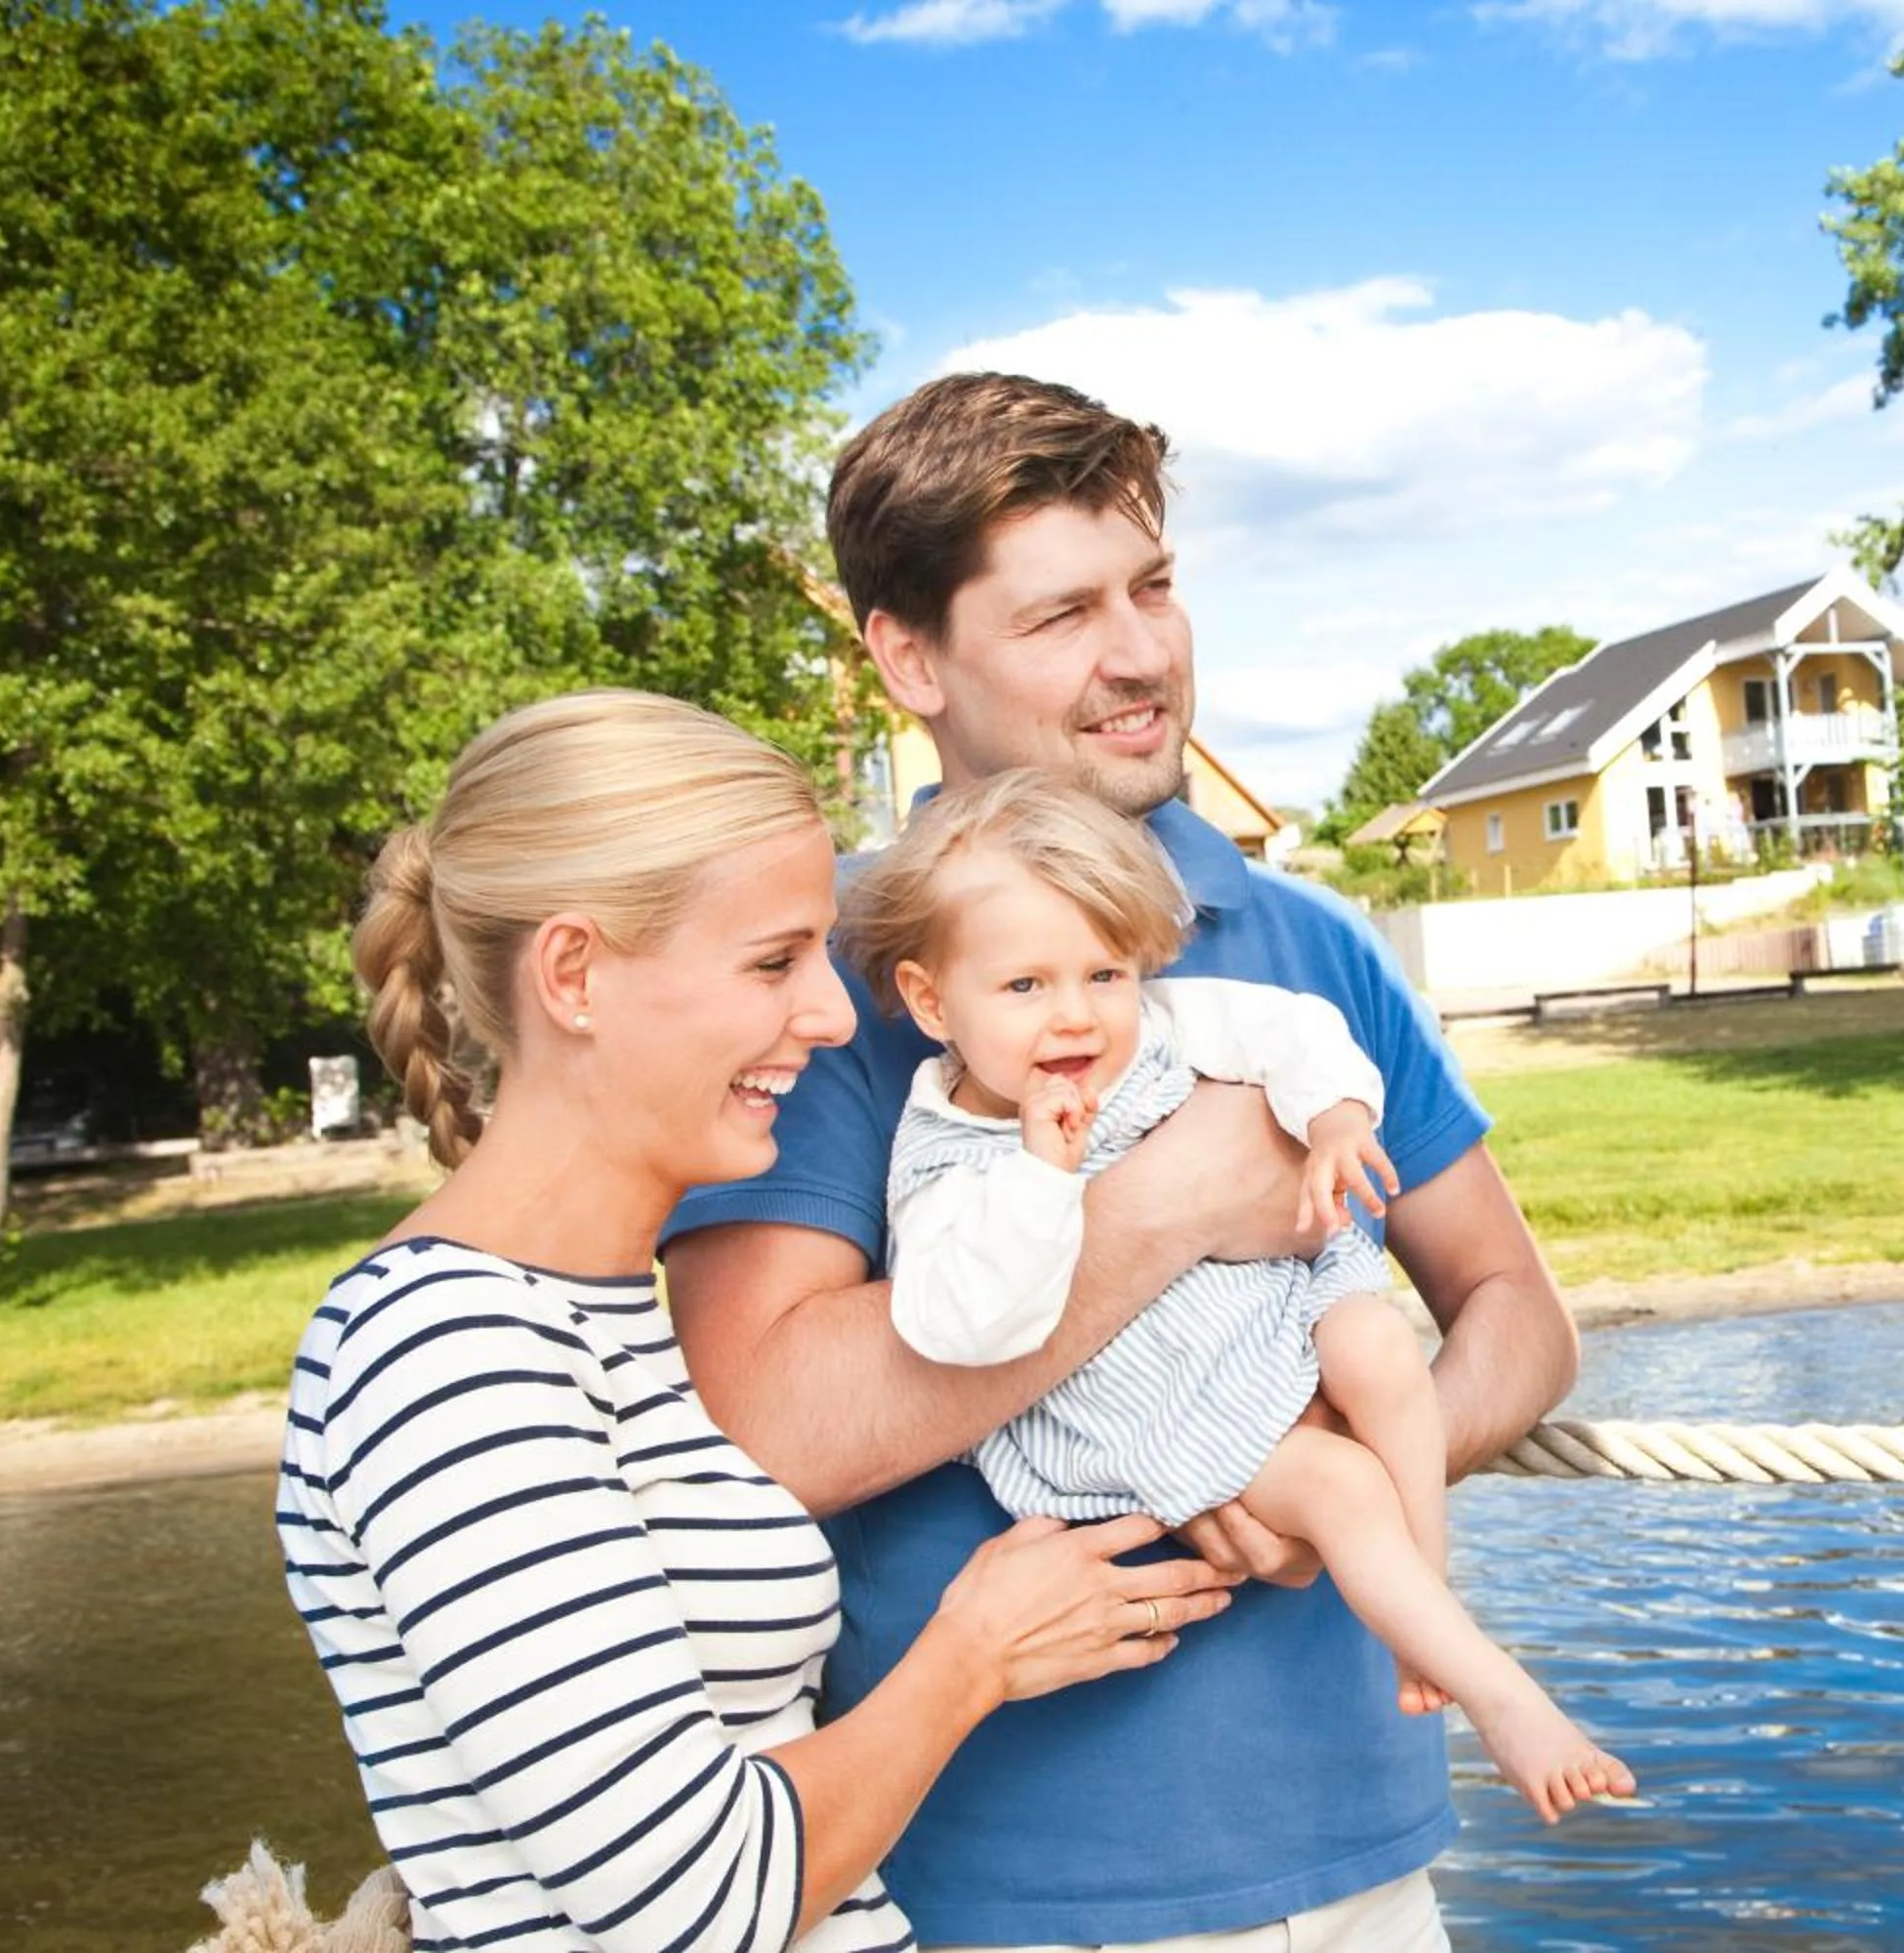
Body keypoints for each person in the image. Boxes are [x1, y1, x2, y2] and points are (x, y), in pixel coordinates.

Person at [662, 372, 1586, 1951]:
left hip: (1366, 1854)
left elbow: (1517, 1309)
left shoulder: (1306, 945)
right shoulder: (825, 976)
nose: (1144, 650)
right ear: (906, 657)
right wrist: (1163, 1209)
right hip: (1007, 1896)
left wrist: (1359, 1467)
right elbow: (761, 1432)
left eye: (1155, 586)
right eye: (1064, 613)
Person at [276, 690, 1239, 1952]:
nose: (837, 1017)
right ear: (574, 975)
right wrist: (976, 1656)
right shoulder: (444, 1356)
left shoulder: (603, 1317)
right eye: (775, 961)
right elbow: (698, 1905)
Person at [839, 769, 1634, 1824]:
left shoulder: (1162, 1020)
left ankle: (1421, 1603)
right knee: (1344, 1489)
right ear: (934, 1001)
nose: (1076, 1014)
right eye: (1024, 987)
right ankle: (1500, 1693)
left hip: (1260, 1304)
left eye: (1104, 972)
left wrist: (1341, 1115)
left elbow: (1296, 1030)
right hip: (1144, 1392)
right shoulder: (944, 1159)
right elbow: (967, 1324)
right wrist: (1040, 1174)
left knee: (1381, 1350)